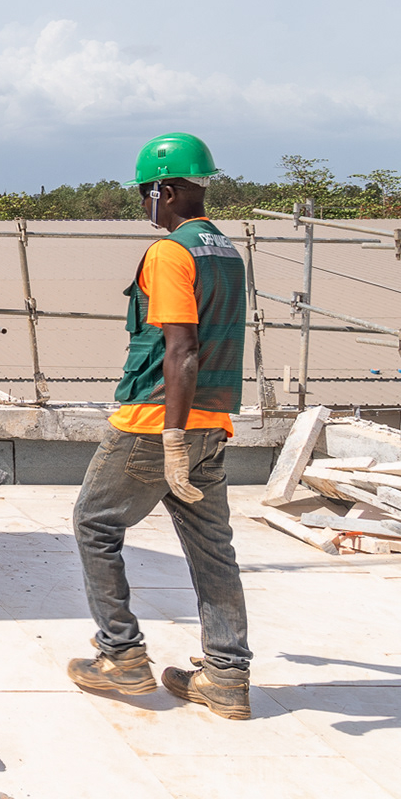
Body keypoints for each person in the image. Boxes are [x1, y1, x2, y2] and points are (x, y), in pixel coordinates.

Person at [66, 132, 253, 720]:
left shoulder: (171, 253)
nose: (143, 205)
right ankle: (227, 675)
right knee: (212, 548)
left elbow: (183, 348)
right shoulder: (226, 251)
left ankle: (121, 656)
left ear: (164, 192)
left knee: (95, 523)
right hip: (211, 425)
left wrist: (170, 436)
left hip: (155, 421)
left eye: (144, 194)